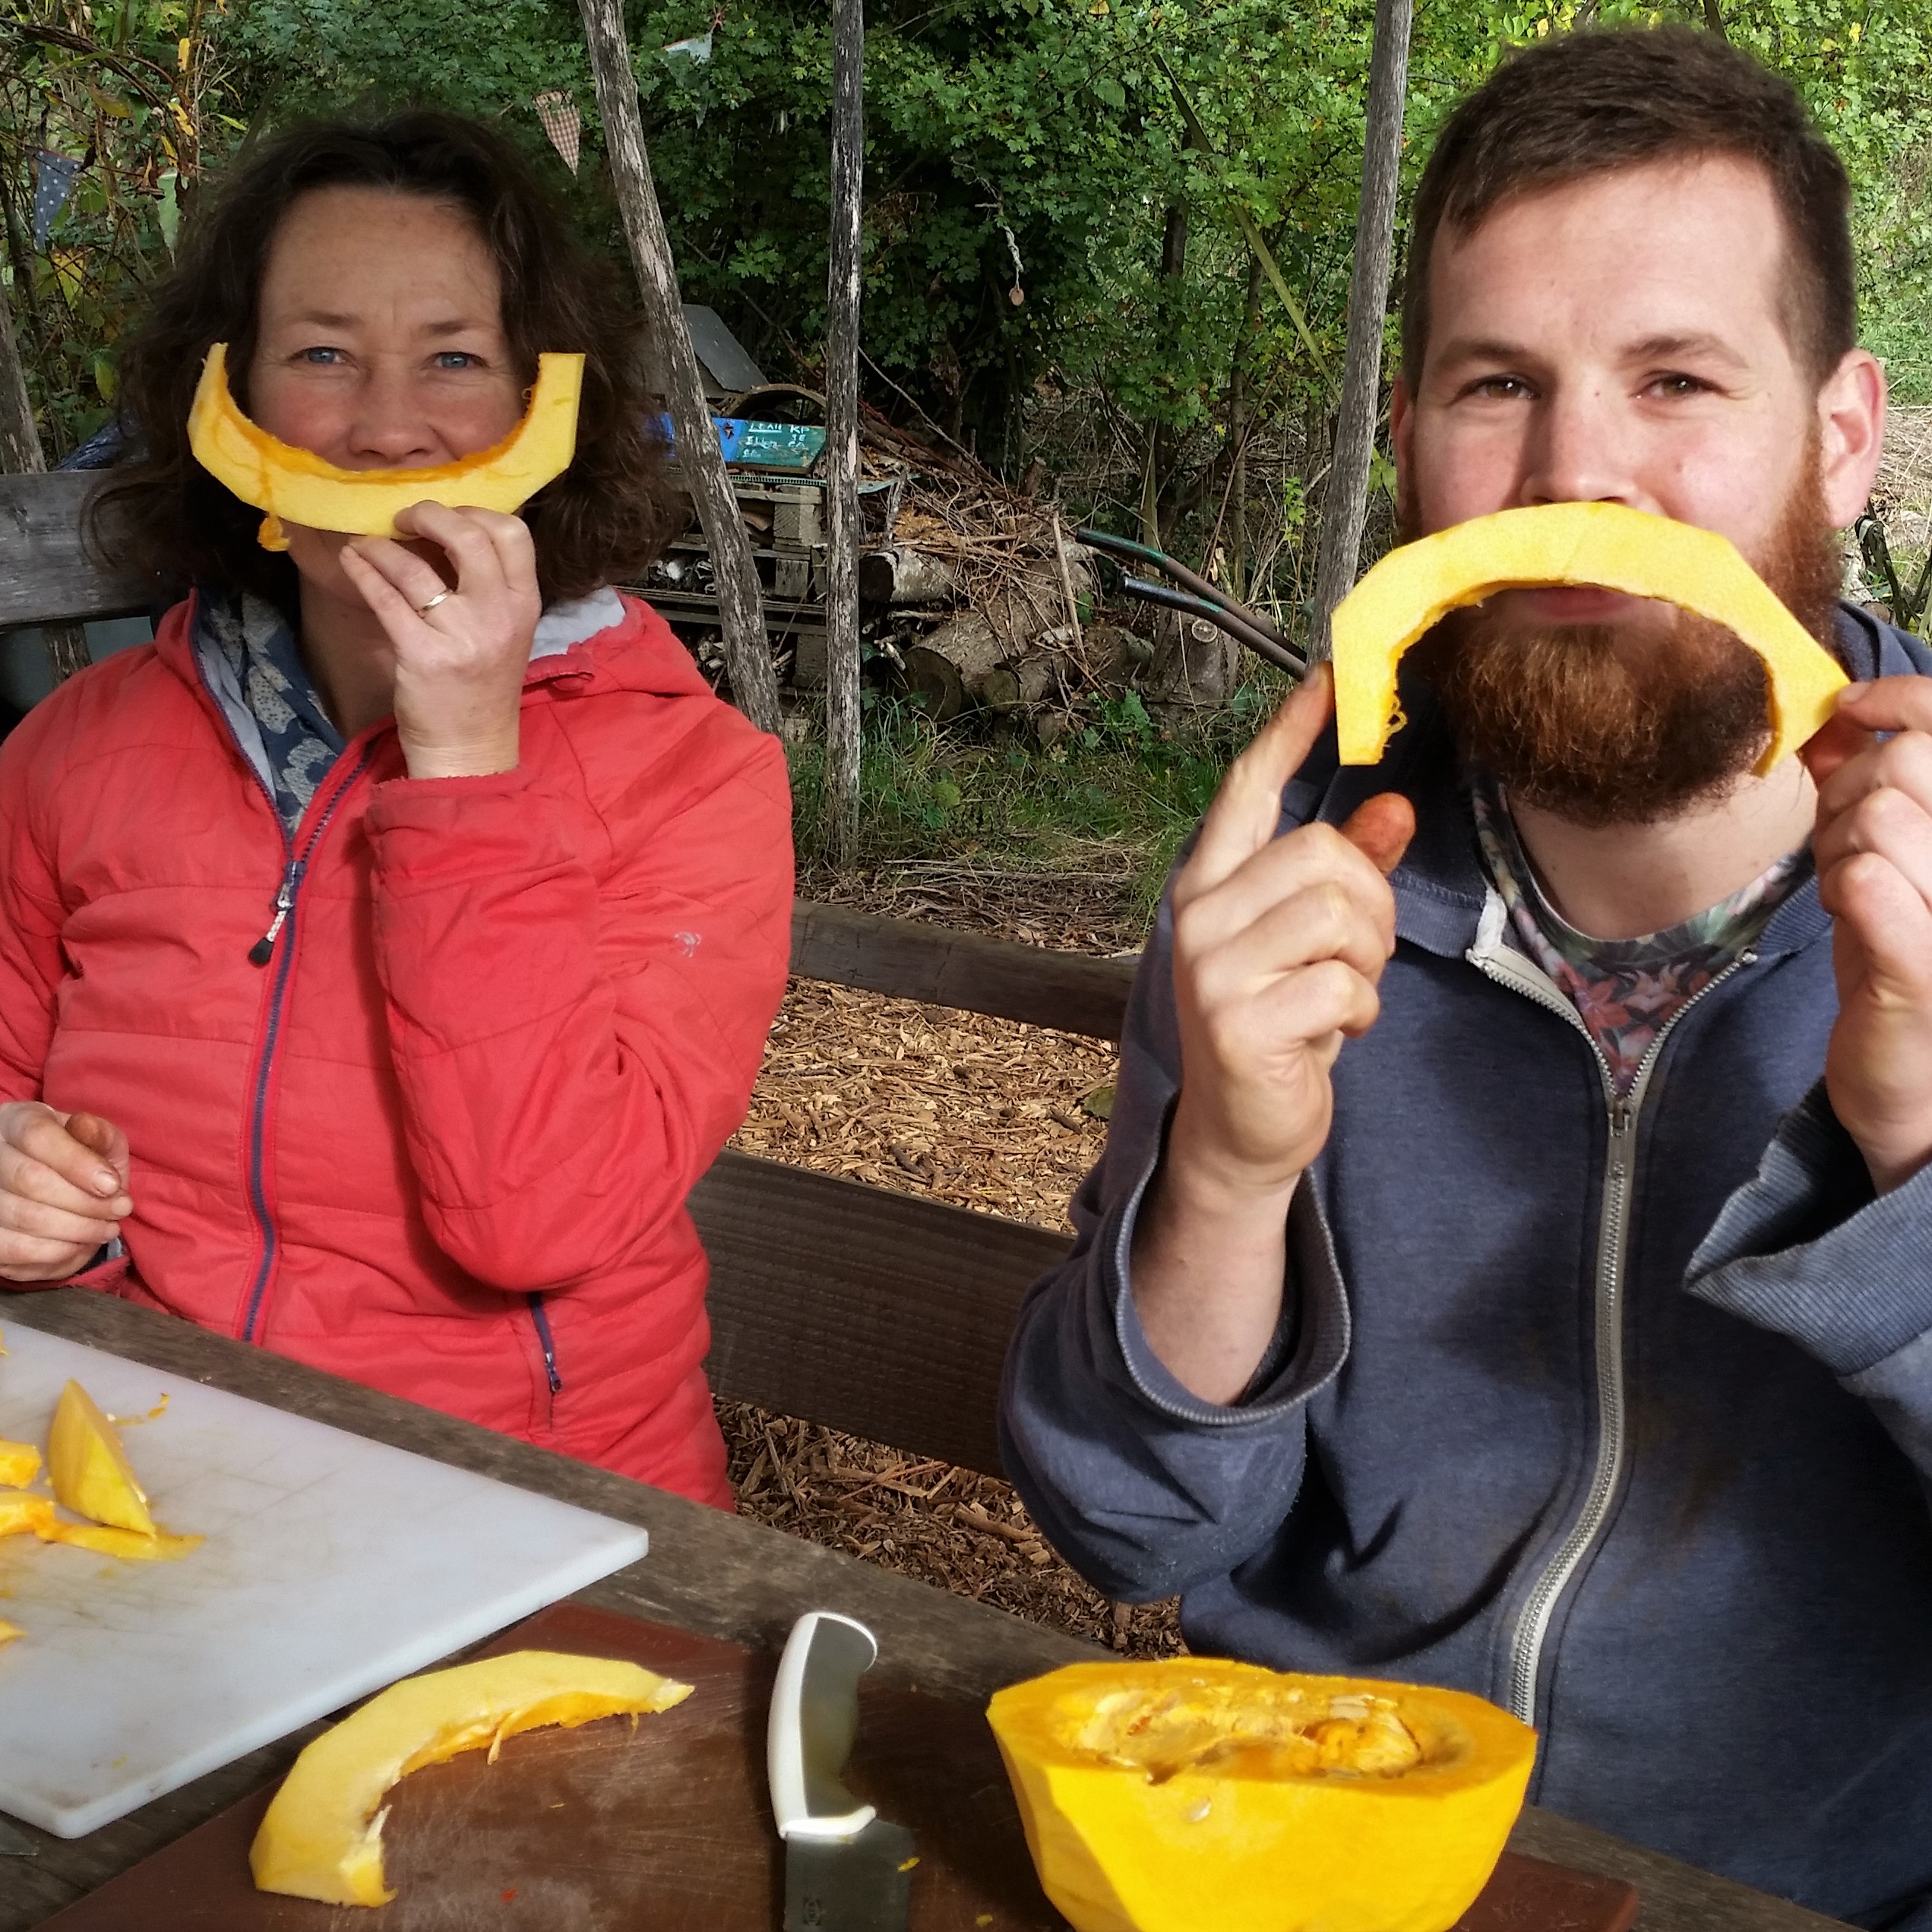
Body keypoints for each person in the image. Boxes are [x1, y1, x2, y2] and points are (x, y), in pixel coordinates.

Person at [1001, 28, 1932, 1926]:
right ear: (1411, 436)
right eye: (1498, 383)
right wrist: (1225, 1174)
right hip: (1317, 1848)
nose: (1577, 473)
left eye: (1677, 379)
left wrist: (1913, 1148)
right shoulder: (1296, 875)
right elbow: (1134, 1528)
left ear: (1842, 432)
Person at [0, 112, 793, 1509]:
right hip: (141, 1466)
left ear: (542, 407)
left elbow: (540, 1219)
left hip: (535, 1509)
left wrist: (468, 769)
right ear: (232, 394)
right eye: (320, 354)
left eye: (453, 357)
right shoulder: (75, 749)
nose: (383, 429)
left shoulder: (699, 779)